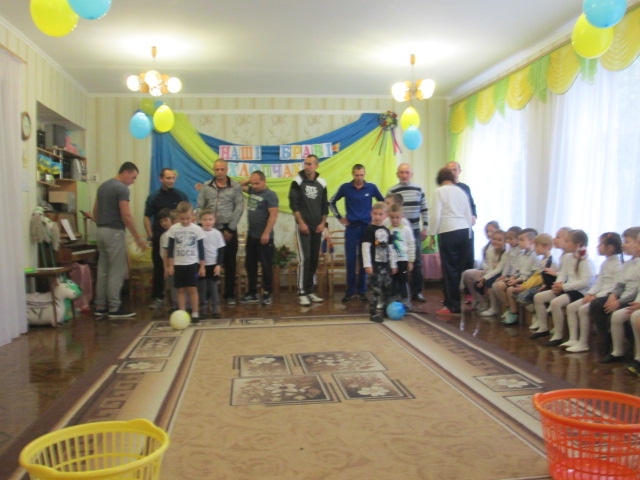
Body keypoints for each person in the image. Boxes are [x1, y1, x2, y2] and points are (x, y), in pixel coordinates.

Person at [93, 162, 146, 318]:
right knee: (116, 270)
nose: (133, 182)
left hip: (100, 231)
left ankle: (100, 306)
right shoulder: (121, 188)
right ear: (126, 172)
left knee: (103, 270)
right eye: (133, 177)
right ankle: (114, 307)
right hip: (114, 232)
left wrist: (101, 225)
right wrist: (137, 238)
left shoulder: (103, 187)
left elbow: (95, 211)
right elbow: (126, 216)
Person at [329, 164, 384, 302]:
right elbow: (331, 202)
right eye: (357, 175)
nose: (359, 178)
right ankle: (349, 291)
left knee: (365, 259)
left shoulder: (371, 187)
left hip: (367, 229)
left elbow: (383, 203)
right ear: (352, 174)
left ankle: (362, 291)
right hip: (352, 229)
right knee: (351, 260)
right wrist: (339, 217)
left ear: (365, 174)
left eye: (361, 175)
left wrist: (377, 217)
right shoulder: (345, 187)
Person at [530, 229, 594, 345]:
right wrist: (557, 284)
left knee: (556, 303)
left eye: (567, 241)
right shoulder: (569, 258)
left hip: (579, 291)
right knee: (538, 297)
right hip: (567, 288)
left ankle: (558, 335)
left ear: (578, 245)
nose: (564, 244)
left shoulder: (586, 261)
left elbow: (585, 282)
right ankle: (543, 327)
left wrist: (563, 287)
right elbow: (563, 274)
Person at [563, 232, 623, 353]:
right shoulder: (605, 262)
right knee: (571, 307)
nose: (597, 247)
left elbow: (614, 287)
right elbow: (598, 282)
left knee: (583, 310)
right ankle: (573, 339)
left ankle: (583, 343)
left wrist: (596, 296)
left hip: (606, 297)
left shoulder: (617, 265)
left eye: (600, 244)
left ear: (610, 248)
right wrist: (589, 294)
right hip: (597, 295)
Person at [197, 160, 244, 306]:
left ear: (227, 169)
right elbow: (199, 206)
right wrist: (200, 226)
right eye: (217, 169)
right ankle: (208, 295)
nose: (219, 172)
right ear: (213, 170)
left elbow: (239, 208)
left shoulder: (235, 186)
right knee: (208, 261)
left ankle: (229, 294)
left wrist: (230, 229)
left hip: (227, 229)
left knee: (229, 263)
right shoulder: (206, 186)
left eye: (222, 169)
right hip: (209, 229)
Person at [427, 167, 473, 316]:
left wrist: (432, 235)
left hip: (448, 231)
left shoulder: (439, 191)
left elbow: (435, 216)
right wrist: (469, 234)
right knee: (458, 270)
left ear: (439, 179)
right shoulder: (461, 191)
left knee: (449, 270)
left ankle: (452, 306)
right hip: (464, 232)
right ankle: (453, 303)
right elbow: (468, 214)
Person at [590, 227, 640, 361]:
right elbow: (620, 285)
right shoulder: (628, 264)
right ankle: (613, 347)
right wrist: (613, 296)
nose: (623, 245)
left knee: (619, 315)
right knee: (598, 305)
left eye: (627, 242)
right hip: (624, 297)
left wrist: (619, 302)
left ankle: (628, 351)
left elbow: (635, 290)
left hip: (631, 299)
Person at [144, 168, 188, 310]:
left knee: (178, 269)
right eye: (168, 178)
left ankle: (179, 300)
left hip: (179, 240)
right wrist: (151, 235)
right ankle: (159, 298)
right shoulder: (153, 197)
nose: (171, 181)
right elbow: (146, 217)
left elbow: (187, 215)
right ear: (161, 179)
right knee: (159, 269)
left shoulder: (181, 195)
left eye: (173, 178)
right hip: (160, 238)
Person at [289, 154, 329, 306]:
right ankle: (301, 292)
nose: (307, 166)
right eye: (305, 164)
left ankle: (310, 290)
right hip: (304, 227)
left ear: (316, 166)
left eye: (310, 164)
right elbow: (294, 204)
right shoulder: (297, 181)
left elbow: (325, 205)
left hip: (317, 227)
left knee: (314, 259)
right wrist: (301, 223)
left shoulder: (322, 183)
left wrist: (322, 223)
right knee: (304, 259)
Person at [387, 163, 429, 302]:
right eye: (401, 172)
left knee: (416, 261)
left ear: (411, 174)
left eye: (407, 172)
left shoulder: (419, 189)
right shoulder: (392, 191)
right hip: (395, 231)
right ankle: (398, 292)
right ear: (397, 174)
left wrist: (425, 227)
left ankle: (417, 292)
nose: (404, 175)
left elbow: (424, 209)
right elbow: (388, 211)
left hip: (414, 230)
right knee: (397, 261)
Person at [238, 171, 279, 305]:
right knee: (250, 265)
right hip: (252, 236)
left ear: (264, 181)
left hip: (265, 237)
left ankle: (267, 293)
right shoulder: (252, 191)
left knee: (266, 266)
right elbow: (238, 185)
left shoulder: (270, 195)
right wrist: (250, 180)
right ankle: (252, 293)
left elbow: (273, 215)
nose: (254, 186)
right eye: (253, 183)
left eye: (257, 183)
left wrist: (266, 233)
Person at [166, 201, 205, 323]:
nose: (185, 221)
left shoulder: (197, 229)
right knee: (180, 289)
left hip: (192, 264)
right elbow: (170, 249)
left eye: (188, 218)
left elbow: (201, 249)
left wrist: (202, 266)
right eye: (182, 219)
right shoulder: (173, 229)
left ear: (192, 215)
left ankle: (195, 313)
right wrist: (170, 265)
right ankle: (182, 313)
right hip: (178, 264)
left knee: (193, 289)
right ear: (178, 215)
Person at [507, 233, 556, 326]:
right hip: (537, 284)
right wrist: (524, 286)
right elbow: (535, 276)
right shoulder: (542, 260)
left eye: (536, 245)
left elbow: (542, 278)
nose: (534, 248)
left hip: (544, 286)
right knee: (515, 293)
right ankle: (536, 313)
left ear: (546, 246)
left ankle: (538, 315)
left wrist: (524, 287)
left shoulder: (550, 261)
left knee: (523, 297)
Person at [362, 202, 398, 322]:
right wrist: (367, 265)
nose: (377, 216)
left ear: (385, 215)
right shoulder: (369, 230)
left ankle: (385, 310)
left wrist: (393, 264)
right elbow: (365, 248)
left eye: (380, 214)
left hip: (385, 265)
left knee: (386, 288)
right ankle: (373, 313)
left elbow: (391, 248)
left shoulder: (386, 231)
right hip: (375, 265)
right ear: (371, 214)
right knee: (375, 290)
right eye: (375, 214)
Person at [461, 220, 501, 310]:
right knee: (467, 274)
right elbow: (485, 263)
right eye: (487, 231)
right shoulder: (486, 247)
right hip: (487, 269)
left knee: (477, 278)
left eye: (491, 231)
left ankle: (485, 302)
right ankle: (476, 298)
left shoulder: (500, 245)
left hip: (495, 271)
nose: (489, 233)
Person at [466, 229, 507, 315]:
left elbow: (499, 269)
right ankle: (485, 302)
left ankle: (494, 307)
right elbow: (490, 268)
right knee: (479, 283)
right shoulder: (489, 252)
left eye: (499, 240)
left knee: (490, 282)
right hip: (493, 273)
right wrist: (485, 278)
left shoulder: (506, 253)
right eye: (494, 239)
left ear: (505, 241)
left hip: (504, 273)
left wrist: (485, 278)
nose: (496, 242)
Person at [446, 161, 477, 272]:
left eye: (454, 169)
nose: (452, 172)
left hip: (466, 229)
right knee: (452, 263)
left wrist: (474, 216)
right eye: (449, 170)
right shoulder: (444, 189)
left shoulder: (465, 187)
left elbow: (471, 205)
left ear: (459, 171)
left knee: (467, 259)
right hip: (451, 230)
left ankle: (466, 282)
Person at [197, 209, 225, 318]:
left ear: (214, 220)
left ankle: (215, 310)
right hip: (201, 266)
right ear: (200, 220)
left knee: (213, 289)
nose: (207, 222)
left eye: (210, 219)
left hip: (213, 265)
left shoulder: (217, 234)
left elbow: (221, 251)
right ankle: (203, 310)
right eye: (205, 219)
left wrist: (218, 265)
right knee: (202, 289)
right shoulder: (198, 233)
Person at [388, 204, 415, 308]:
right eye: (392, 217)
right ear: (389, 217)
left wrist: (410, 261)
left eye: (397, 217)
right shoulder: (387, 230)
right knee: (392, 281)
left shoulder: (406, 230)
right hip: (391, 262)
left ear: (402, 217)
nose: (394, 220)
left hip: (403, 260)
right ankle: (391, 302)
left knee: (403, 281)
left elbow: (411, 244)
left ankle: (405, 302)